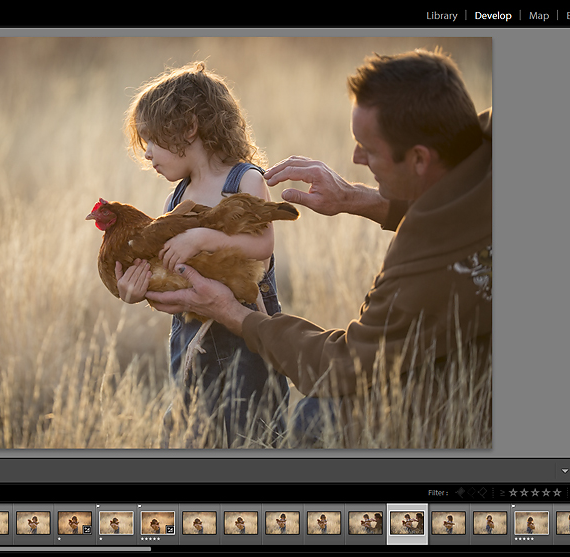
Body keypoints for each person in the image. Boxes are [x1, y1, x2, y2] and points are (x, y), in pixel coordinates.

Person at [146, 50, 492, 447]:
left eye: (368, 149)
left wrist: (233, 313)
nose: (356, 158)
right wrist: (356, 198)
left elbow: (343, 364)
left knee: (317, 418)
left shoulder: (419, 271)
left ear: (418, 159)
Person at [120, 62, 290, 447]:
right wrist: (136, 292)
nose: (147, 153)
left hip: (248, 331)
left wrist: (201, 238)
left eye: (152, 139)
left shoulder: (244, 179)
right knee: (193, 429)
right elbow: (173, 270)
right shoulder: (176, 198)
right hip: (192, 335)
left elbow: (263, 246)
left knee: (251, 430)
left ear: (189, 128)